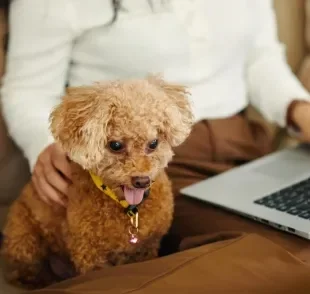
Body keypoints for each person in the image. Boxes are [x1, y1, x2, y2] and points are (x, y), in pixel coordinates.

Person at [1, 0, 310, 259]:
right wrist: (45, 143)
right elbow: (28, 90)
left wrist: (299, 109)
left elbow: (260, 58)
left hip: (249, 145)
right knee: (276, 252)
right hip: (148, 159)